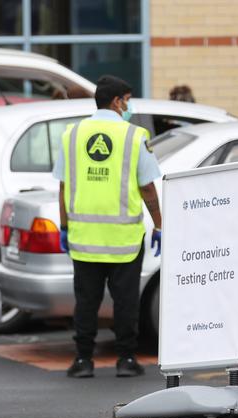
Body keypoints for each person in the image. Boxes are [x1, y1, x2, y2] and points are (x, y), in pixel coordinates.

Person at [52, 75, 162, 378]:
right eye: (127, 100)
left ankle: (83, 361)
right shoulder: (134, 136)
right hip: (123, 239)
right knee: (126, 302)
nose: (128, 105)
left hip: (83, 238)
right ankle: (126, 359)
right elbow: (148, 189)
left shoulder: (71, 135)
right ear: (117, 101)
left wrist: (64, 227)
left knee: (86, 303)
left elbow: (63, 187)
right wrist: (159, 225)